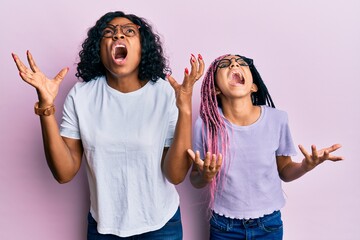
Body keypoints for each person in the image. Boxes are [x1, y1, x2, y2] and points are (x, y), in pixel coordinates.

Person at [12, 11, 204, 239]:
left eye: (129, 31)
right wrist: (45, 107)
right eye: (108, 33)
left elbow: (176, 175)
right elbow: (64, 173)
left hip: (161, 226)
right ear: (99, 49)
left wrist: (185, 108)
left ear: (143, 47)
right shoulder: (81, 96)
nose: (118, 36)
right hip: (103, 228)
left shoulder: (164, 93)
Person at [187, 54, 343, 240]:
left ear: (253, 86)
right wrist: (205, 175)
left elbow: (284, 170)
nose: (235, 64)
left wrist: (305, 166)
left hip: (268, 225)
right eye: (225, 65)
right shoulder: (205, 125)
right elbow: (195, 180)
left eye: (241, 63)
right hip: (224, 226)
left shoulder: (277, 119)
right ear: (215, 90)